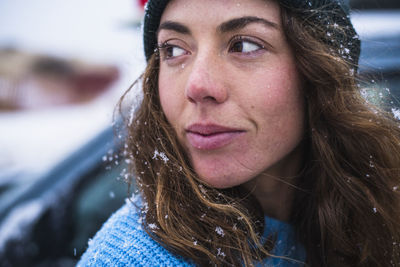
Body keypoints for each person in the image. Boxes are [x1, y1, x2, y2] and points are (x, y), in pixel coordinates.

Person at [78, 0, 400, 266]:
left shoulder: (376, 219)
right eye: (174, 50)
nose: (197, 86)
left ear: (319, 72)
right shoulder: (129, 258)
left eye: (243, 46)